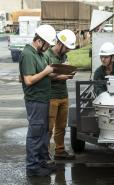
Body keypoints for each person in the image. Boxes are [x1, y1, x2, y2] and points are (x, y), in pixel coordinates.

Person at [19, 24, 56, 176]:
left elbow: (41, 75)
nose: (48, 48)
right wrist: (47, 70)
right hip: (35, 101)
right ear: (40, 41)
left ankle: (41, 163)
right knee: (35, 134)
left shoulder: (39, 54)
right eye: (47, 44)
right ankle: (32, 167)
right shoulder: (28, 54)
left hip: (42, 99)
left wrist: (58, 73)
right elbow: (28, 80)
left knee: (42, 133)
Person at [44, 29, 76, 160]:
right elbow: (45, 74)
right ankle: (44, 153)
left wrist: (68, 73)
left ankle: (60, 150)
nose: (68, 50)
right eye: (67, 47)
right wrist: (61, 76)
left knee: (61, 126)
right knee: (49, 128)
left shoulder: (64, 56)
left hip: (64, 95)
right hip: (51, 96)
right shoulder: (46, 55)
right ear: (60, 43)